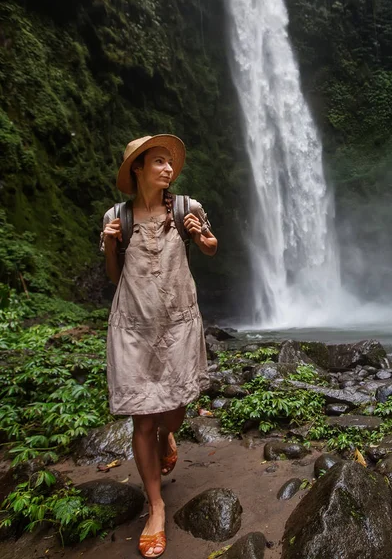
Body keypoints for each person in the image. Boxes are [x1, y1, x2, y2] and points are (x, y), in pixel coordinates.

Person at [100, 135, 217, 558]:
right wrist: (111, 243)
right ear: (138, 169)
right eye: (159, 162)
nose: (168, 169)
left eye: (171, 163)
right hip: (133, 326)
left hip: (179, 322)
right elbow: (114, 276)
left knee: (176, 404)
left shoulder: (187, 207)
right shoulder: (118, 216)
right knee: (142, 420)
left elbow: (210, 247)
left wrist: (199, 234)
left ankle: (171, 435)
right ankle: (156, 507)